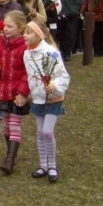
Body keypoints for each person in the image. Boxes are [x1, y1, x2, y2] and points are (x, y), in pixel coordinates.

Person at [23, 21, 70, 183]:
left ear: (38, 35)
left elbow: (63, 75)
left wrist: (54, 86)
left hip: (52, 98)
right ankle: (43, 165)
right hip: (38, 98)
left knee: (48, 132)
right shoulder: (27, 54)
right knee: (40, 132)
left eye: (28, 33)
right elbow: (29, 76)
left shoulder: (52, 53)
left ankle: (52, 165)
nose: (24, 36)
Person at [0, 11, 30, 175]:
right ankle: (9, 153)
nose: (6, 29)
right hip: (2, 90)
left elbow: (28, 71)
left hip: (17, 92)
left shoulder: (25, 46)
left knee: (14, 124)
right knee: (6, 124)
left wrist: (22, 92)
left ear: (20, 28)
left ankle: (10, 159)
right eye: (5, 26)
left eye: (10, 26)